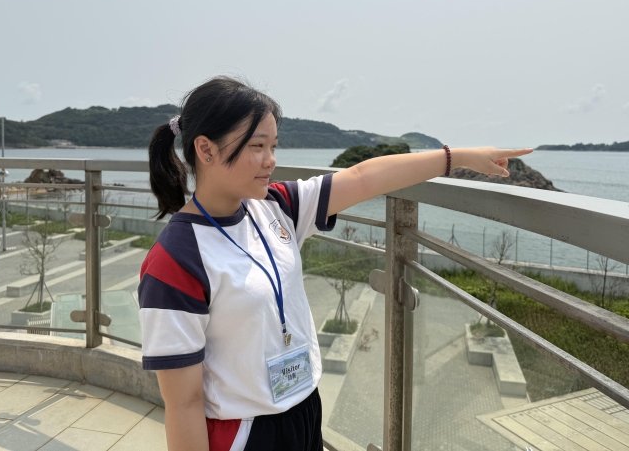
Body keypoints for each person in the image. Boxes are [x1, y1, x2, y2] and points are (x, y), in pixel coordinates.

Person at [140, 76, 533, 451]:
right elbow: (183, 403)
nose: (270, 160)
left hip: (304, 407)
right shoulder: (176, 259)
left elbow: (363, 178)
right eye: (257, 146)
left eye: (274, 146)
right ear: (206, 150)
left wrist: (457, 158)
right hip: (246, 432)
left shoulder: (277, 207)